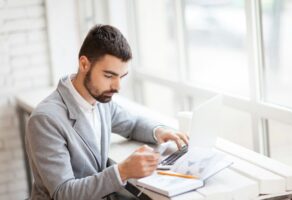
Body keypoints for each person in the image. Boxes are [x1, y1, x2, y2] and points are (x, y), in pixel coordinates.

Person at [25, 24, 189, 200]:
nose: (117, 87)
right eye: (109, 76)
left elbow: (132, 124)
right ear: (84, 64)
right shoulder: (45, 119)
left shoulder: (100, 99)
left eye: (122, 77)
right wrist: (123, 170)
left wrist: (159, 131)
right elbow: (64, 193)